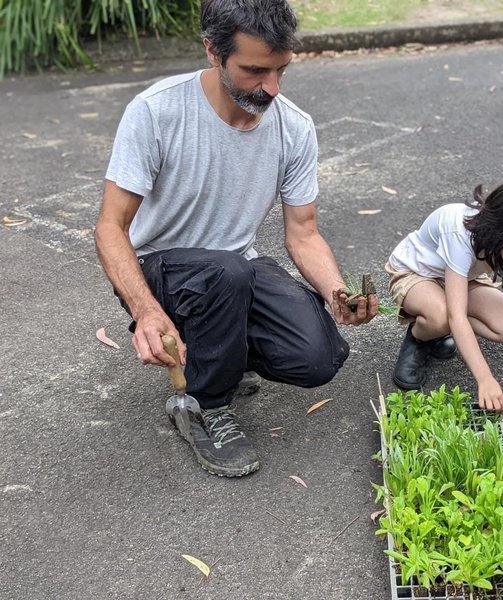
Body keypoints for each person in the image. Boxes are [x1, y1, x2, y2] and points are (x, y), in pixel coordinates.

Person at [94, 0, 378, 478]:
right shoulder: (157, 111)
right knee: (227, 271)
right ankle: (203, 404)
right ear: (212, 50)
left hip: (233, 268)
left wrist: (336, 292)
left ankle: (214, 352)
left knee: (320, 356)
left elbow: (304, 233)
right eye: (254, 70)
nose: (271, 87)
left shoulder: (294, 127)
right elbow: (110, 227)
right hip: (160, 267)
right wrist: (145, 310)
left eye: (281, 70)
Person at [385, 176, 503, 413]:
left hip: (464, 279)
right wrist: (485, 379)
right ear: (500, 227)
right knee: (443, 316)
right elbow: (457, 316)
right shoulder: (460, 232)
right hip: (416, 273)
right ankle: (419, 337)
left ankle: (442, 327)